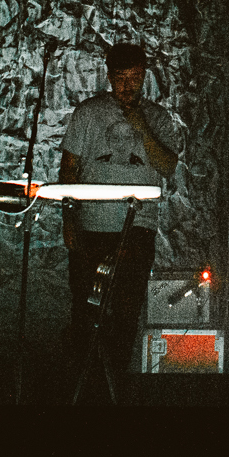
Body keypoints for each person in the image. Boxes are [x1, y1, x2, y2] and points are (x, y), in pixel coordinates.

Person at [60, 42, 182, 376]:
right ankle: (83, 382)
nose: (127, 86)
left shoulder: (157, 117)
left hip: (136, 227)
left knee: (126, 310)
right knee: (86, 309)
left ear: (144, 77)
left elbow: (168, 166)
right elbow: (68, 168)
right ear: (110, 76)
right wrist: (68, 219)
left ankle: (116, 381)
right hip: (91, 226)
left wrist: (142, 128)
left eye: (135, 78)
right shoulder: (88, 112)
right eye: (120, 78)